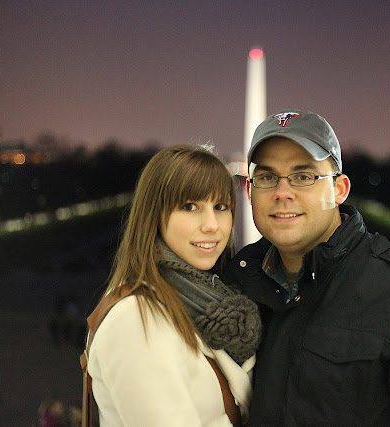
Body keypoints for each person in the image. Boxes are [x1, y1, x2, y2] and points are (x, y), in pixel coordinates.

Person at [225, 110, 390, 425]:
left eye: (303, 176)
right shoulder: (236, 280)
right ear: (250, 191)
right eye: (266, 178)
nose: (282, 193)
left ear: (340, 190)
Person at [84, 145, 261, 426]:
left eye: (220, 207)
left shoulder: (211, 297)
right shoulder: (134, 319)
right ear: (154, 214)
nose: (212, 225)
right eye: (190, 207)